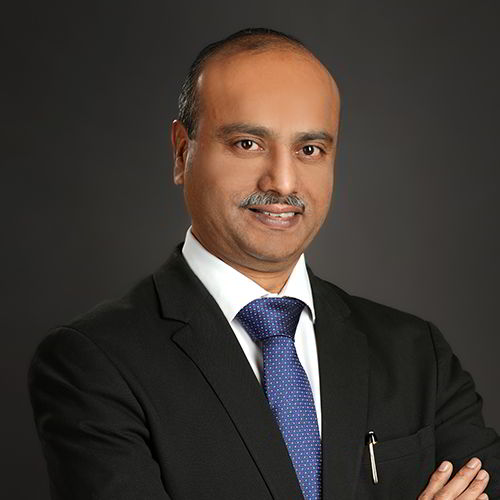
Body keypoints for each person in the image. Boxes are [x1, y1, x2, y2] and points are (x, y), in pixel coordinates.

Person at [29, 28, 500, 500]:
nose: (283, 182)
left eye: (309, 150)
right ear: (182, 152)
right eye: (247, 144)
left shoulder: (417, 353)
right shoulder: (94, 362)